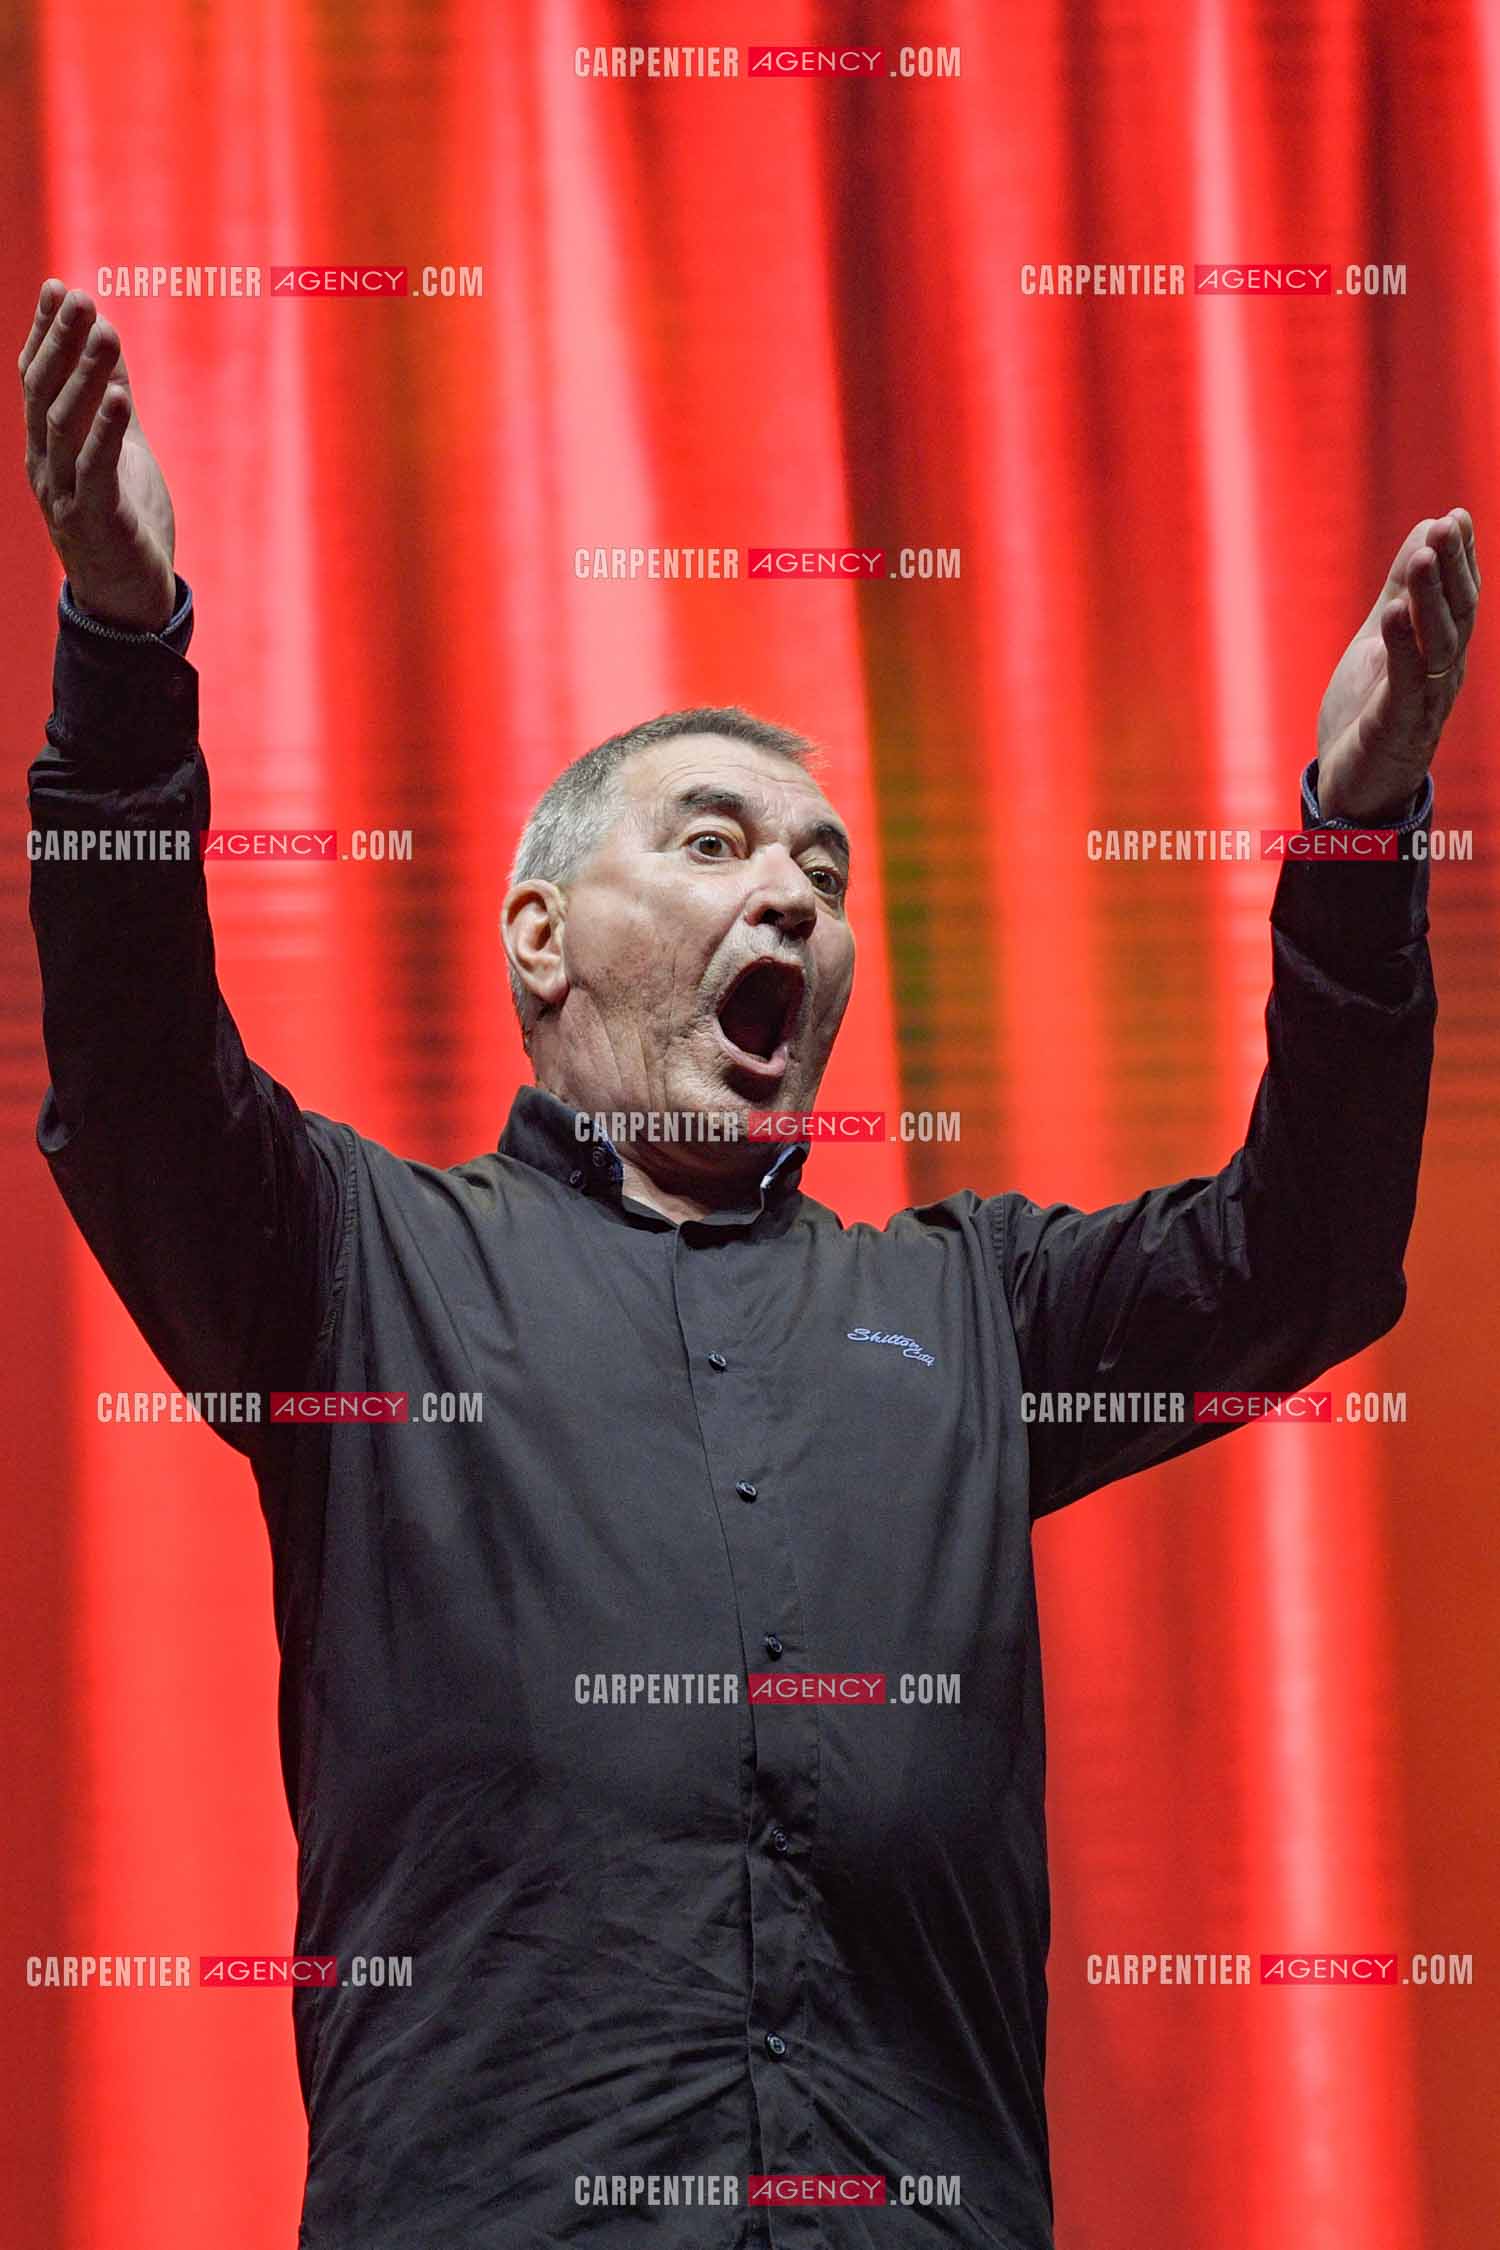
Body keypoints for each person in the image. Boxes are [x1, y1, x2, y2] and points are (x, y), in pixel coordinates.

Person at [21, 276, 1476, 2250]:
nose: (789, 884)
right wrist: (124, 645)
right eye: (713, 844)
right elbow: (129, 1071)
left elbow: (1305, 1257)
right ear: (538, 935)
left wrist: (1364, 828)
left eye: (821, 869)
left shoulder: (975, 1316)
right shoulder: (356, 1279)